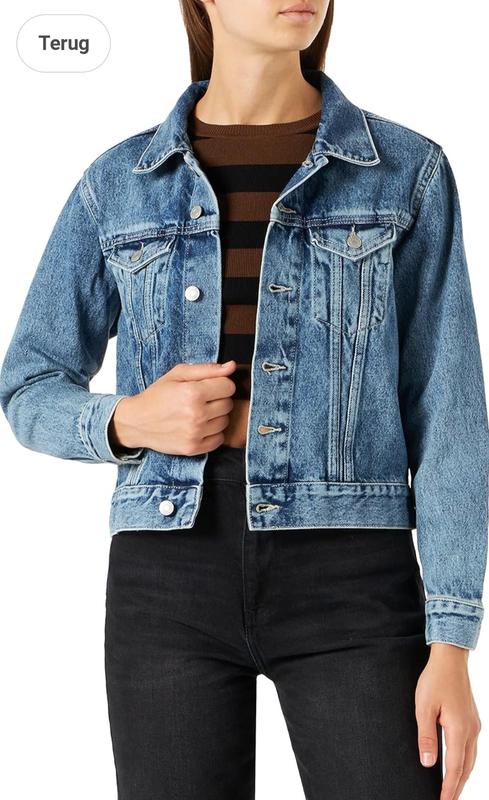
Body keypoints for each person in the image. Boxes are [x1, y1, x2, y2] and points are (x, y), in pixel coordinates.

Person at [0, 1, 487, 798]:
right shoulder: (119, 185)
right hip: (168, 573)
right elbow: (28, 381)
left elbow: (450, 413)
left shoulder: (405, 171)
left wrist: (453, 642)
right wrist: (125, 419)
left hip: (351, 574)